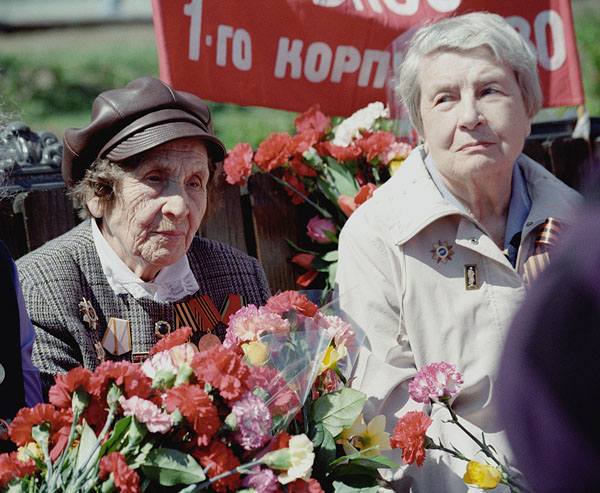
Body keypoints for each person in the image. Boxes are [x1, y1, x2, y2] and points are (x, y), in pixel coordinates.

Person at [335, 12, 581, 492]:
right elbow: (384, 419)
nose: (470, 116)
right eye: (445, 98)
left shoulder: (574, 220)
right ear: (420, 124)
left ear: (529, 106)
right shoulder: (376, 238)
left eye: (490, 90)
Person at [16, 77, 271, 397]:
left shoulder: (241, 277)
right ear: (98, 193)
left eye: (195, 182)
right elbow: (59, 435)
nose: (179, 206)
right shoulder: (43, 289)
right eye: (155, 178)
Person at [497, 170, 600, 492]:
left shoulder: (572, 209)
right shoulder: (376, 234)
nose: (471, 118)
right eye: (442, 112)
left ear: (529, 116)